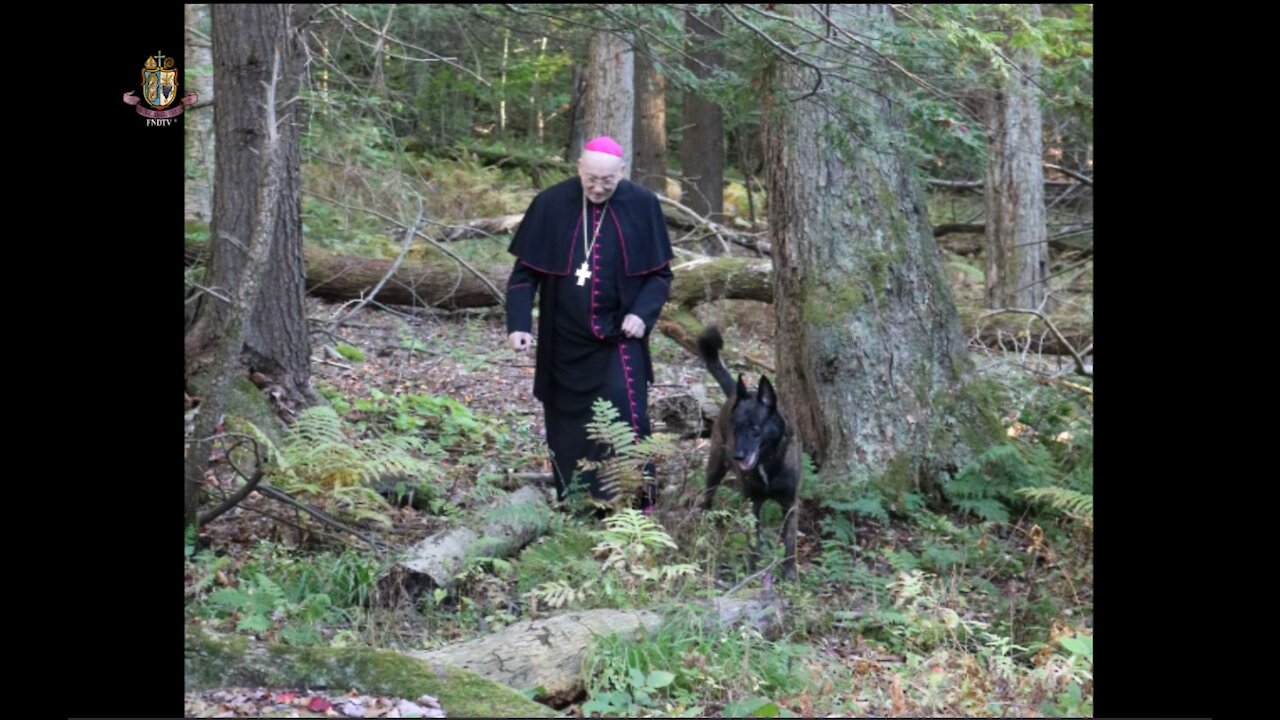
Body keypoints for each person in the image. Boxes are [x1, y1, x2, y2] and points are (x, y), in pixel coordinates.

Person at [505, 136, 674, 508]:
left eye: (607, 181)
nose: (598, 188)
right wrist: (518, 324)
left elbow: (660, 275)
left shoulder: (643, 204)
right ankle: (578, 507)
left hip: (617, 339)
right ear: (579, 168)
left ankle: (635, 508)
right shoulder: (550, 203)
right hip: (563, 342)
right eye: (591, 179)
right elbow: (523, 276)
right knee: (568, 431)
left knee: (627, 419)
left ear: (621, 172)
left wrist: (641, 315)